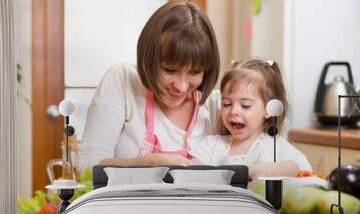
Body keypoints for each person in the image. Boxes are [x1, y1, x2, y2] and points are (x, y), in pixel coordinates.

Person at [79, 1, 221, 172]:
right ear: (149, 58)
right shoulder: (123, 80)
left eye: (195, 72)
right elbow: (87, 167)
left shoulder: (218, 107)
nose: (182, 87)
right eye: (170, 70)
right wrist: (147, 164)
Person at [190, 58, 312, 182]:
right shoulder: (213, 145)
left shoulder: (272, 146)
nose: (234, 111)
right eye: (227, 104)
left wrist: (271, 170)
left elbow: (301, 167)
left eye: (245, 105)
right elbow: (193, 168)